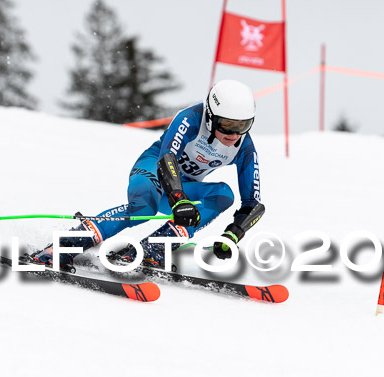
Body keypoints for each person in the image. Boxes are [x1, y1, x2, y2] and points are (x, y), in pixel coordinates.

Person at [32, 79, 266, 272]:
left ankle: (154, 247)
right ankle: (63, 246)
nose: (234, 134)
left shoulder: (244, 148)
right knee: (144, 209)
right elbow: (167, 159)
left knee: (223, 194)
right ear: (211, 116)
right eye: (226, 125)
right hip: (153, 170)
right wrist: (179, 199)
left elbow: (253, 204)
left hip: (182, 189)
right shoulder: (190, 119)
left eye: (243, 125)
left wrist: (233, 234)